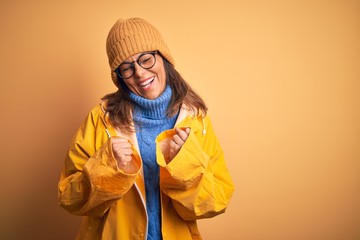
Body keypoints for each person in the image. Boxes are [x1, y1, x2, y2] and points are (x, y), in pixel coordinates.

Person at [58, 17, 235, 240]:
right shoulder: (100, 120)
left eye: (146, 59)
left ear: (163, 58)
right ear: (119, 77)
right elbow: (69, 199)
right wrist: (108, 167)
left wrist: (185, 165)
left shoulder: (196, 120)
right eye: (127, 67)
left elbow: (216, 202)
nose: (140, 73)